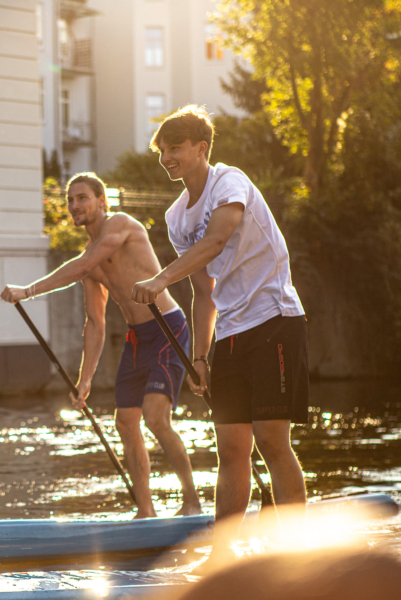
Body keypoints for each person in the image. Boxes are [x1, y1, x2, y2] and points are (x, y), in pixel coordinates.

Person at [130, 105, 309, 569]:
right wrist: (201, 356)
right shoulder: (175, 216)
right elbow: (203, 287)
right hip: (229, 333)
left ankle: (297, 557)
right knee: (231, 448)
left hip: (274, 320)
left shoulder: (230, 181)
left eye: (175, 149)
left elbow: (218, 239)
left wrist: (157, 281)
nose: (167, 158)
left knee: (272, 441)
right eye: (162, 151)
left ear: (200, 149)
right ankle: (223, 557)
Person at [1, 172, 202, 519]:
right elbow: (95, 323)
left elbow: (80, 266)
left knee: (155, 417)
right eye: (71, 200)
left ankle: (192, 501)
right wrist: (85, 379)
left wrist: (28, 291)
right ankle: (146, 511)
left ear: (101, 201)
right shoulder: (90, 259)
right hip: (137, 338)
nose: (75, 205)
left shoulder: (121, 225)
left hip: (168, 328)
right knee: (125, 423)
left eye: (82, 198)